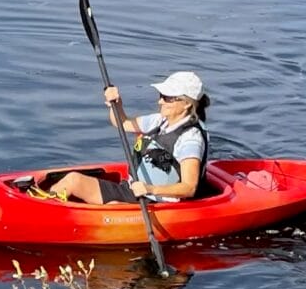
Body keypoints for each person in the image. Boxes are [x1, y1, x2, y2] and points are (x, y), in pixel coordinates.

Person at [44, 70, 213, 205]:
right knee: (73, 180)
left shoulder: (190, 139)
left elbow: (189, 188)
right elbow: (122, 123)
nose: (160, 102)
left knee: (111, 206)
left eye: (167, 98)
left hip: (160, 201)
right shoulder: (159, 120)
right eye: (161, 96)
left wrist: (149, 189)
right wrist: (116, 105)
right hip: (134, 190)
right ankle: (43, 207)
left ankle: (46, 214)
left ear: (187, 103)